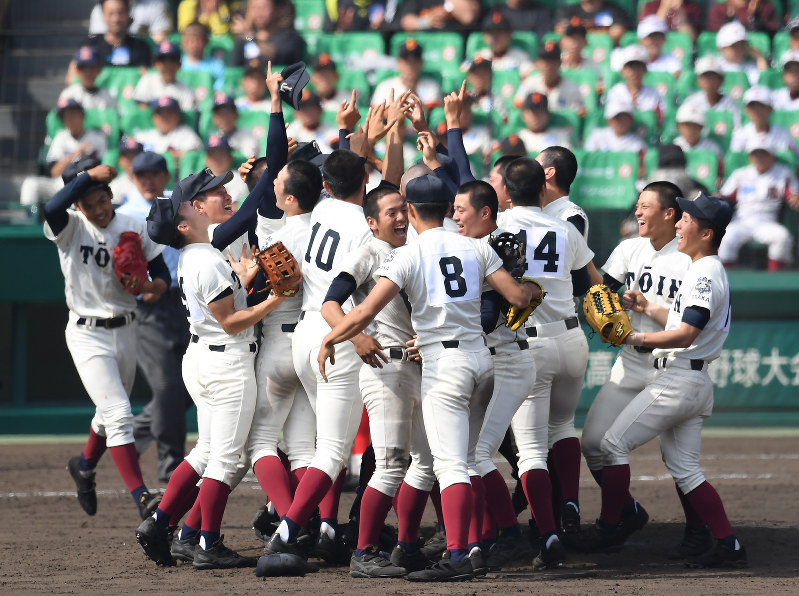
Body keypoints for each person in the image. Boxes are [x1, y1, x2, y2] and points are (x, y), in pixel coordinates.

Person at [317, 173, 544, 581]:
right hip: (481, 359)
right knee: (470, 459)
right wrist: (528, 286)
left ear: (410, 209)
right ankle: (471, 548)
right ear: (446, 208)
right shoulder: (476, 247)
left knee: (451, 465)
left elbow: (365, 312)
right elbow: (517, 297)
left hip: (443, 366)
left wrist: (331, 338)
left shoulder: (408, 254)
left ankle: (457, 556)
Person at [581, 191, 749, 571]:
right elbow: (679, 321)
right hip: (691, 378)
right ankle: (728, 543)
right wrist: (646, 308)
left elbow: (686, 333)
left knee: (612, 443)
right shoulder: (704, 267)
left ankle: (610, 526)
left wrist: (635, 337)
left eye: (687, 220)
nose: (679, 225)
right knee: (686, 469)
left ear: (707, 233)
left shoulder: (703, 272)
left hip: (677, 376)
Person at [135, 168, 287, 569]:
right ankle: (207, 544)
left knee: (205, 451)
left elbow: (221, 305)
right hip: (227, 360)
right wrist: (276, 299)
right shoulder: (205, 259)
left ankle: (162, 521)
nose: (191, 202)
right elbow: (232, 321)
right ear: (184, 224)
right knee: (224, 458)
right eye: (186, 206)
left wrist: (241, 279)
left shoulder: (196, 255)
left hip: (204, 357)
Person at [264, 148, 376, 563]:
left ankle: (327, 527)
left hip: (305, 333)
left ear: (326, 186)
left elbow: (344, 175)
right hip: (339, 331)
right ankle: (288, 531)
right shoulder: (366, 225)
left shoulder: (323, 209)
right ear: (365, 180)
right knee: (332, 450)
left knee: (328, 445)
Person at [321, 185, 435, 578]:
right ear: (372, 222)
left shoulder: (416, 247)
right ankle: (364, 552)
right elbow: (329, 303)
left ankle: (406, 546)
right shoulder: (367, 253)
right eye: (391, 213)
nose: (401, 217)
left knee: (427, 462)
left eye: (403, 209)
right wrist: (354, 337)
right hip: (385, 367)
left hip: (418, 365)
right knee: (389, 465)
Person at [46, 161, 167, 520]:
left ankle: (83, 465)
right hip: (86, 333)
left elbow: (160, 275)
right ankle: (143, 497)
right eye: (89, 204)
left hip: (127, 328)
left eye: (102, 201)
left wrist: (152, 288)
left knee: (108, 415)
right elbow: (52, 207)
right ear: (77, 206)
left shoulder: (133, 225)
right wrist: (87, 178)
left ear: (111, 195)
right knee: (119, 413)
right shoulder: (69, 226)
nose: (98, 210)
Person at [580, 182, 693, 554]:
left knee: (678, 459)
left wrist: (644, 307)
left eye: (646, 207)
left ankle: (698, 530)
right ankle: (625, 512)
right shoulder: (629, 248)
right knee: (594, 443)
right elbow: (603, 293)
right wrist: (613, 303)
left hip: (671, 366)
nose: (638, 213)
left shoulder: (692, 257)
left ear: (669, 214)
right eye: (637, 206)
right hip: (629, 364)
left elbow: (694, 322)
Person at [498, 157, 593, 562]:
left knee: (532, 450)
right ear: (542, 191)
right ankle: (569, 501)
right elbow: (595, 282)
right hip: (571, 338)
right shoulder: (565, 227)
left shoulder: (498, 230)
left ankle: (550, 537)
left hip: (529, 344)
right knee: (564, 426)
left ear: (505, 189)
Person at [451, 180, 536, 571]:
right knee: (472, 453)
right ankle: (481, 540)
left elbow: (487, 316)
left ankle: (511, 536)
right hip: (493, 361)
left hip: (509, 360)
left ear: (485, 213)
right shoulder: (478, 245)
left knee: (477, 454)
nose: (455, 217)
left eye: (462, 211)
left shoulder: (494, 249)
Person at [116, 151, 192, 483]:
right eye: (141, 174)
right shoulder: (125, 215)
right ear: (134, 178)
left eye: (154, 173)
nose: (148, 180)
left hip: (185, 304)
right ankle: (170, 464)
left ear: (164, 176)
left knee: (187, 387)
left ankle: (124, 438)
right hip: (148, 305)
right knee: (166, 386)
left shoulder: (179, 209)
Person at [719, 136, 799, 271]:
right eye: (756, 154)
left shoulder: (784, 173)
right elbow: (725, 196)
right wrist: (718, 197)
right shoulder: (740, 174)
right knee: (726, 237)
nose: (759, 158)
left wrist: (794, 198)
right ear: (750, 157)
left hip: (768, 221)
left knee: (782, 238)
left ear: (772, 155)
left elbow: (793, 194)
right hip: (742, 220)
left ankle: (775, 281)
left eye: (764, 154)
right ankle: (727, 283)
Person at [20, 99, 108, 206]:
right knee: (31, 184)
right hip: (60, 183)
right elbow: (54, 171)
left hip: (86, 183)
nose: (69, 118)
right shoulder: (60, 138)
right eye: (65, 115)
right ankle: (30, 220)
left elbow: (103, 169)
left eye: (73, 114)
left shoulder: (96, 139)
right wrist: (77, 152)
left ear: (82, 115)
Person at [230, 0, 305, 68]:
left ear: (279, 9)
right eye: (254, 7)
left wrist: (249, 36)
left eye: (264, 7)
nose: (259, 12)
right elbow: (233, 71)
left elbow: (272, 54)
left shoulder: (291, 39)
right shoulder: (243, 40)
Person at [515, 40, 584, 113]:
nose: (547, 65)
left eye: (552, 60)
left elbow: (578, 114)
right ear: (537, 63)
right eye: (544, 61)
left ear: (560, 62)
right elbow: (517, 104)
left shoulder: (571, 88)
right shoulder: (529, 83)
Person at [371, 39, 442, 109]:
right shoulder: (385, 86)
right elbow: (376, 114)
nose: (410, 65)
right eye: (406, 61)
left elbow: (432, 115)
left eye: (415, 61)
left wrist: (413, 91)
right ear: (399, 62)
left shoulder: (431, 86)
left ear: (421, 63)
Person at [729, 86, 798, 158]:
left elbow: (792, 162)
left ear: (770, 109)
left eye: (761, 106)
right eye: (752, 107)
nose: (756, 111)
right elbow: (736, 161)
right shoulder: (740, 135)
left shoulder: (783, 134)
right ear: (746, 110)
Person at [84, 0, 152, 70]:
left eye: (120, 13)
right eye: (111, 13)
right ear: (103, 15)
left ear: (128, 13)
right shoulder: (90, 47)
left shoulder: (141, 48)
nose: (116, 19)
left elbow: (146, 76)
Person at [133, 40, 197, 112]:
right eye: (163, 62)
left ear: (179, 65)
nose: (168, 66)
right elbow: (140, 106)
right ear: (155, 64)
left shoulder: (186, 90)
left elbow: (187, 116)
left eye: (172, 62)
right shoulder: (147, 80)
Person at [681, 55, 741, 129]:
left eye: (713, 76)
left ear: (721, 80)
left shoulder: (730, 104)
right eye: (705, 76)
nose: (709, 81)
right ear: (698, 80)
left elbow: (736, 129)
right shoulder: (691, 102)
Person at [606, 44, 666, 118]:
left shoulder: (654, 93)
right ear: (623, 71)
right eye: (631, 67)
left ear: (645, 70)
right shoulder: (616, 92)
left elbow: (660, 119)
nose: (634, 72)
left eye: (639, 66)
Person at [134, 96, 203, 157]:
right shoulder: (145, 136)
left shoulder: (187, 135)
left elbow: (194, 157)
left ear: (178, 116)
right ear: (153, 117)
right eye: (160, 113)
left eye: (169, 113)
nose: (164, 117)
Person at [475, 11, 535, 76]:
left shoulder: (520, 56)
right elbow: (464, 74)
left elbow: (531, 76)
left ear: (509, 35)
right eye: (491, 34)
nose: (495, 37)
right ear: (485, 36)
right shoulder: (479, 57)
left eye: (500, 33)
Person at [59, 46, 118, 111]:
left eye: (92, 67)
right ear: (76, 70)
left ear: (99, 70)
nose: (87, 73)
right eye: (82, 68)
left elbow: (115, 119)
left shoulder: (108, 96)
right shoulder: (68, 95)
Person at [89, 0, 172, 43]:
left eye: (121, 12)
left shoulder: (157, 4)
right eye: (112, 14)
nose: (116, 18)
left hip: (143, 58)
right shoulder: (101, 9)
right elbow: (97, 43)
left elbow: (161, 41)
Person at [554, 0, 632, 46]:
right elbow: (560, 29)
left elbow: (618, 31)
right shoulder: (567, 10)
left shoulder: (614, 10)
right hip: (576, 52)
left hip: (606, 50)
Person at [715, 20, 767, 86]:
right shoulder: (716, 67)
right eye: (734, 46)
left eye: (742, 45)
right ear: (722, 49)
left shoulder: (750, 67)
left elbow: (763, 85)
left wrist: (759, 58)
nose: (739, 49)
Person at [209, 93, 260, 158]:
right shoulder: (214, 138)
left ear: (236, 115)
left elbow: (251, 159)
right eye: (220, 115)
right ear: (214, 119)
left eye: (227, 114)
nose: (224, 119)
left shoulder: (246, 135)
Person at [180, 21, 225, 92]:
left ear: (206, 41)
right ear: (182, 42)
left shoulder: (217, 66)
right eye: (188, 40)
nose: (193, 44)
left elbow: (219, 91)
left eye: (197, 40)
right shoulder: (177, 66)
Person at [397, 0, 481, 31]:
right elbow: (406, 21)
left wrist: (447, 6)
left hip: (454, 45)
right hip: (427, 48)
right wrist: (427, 22)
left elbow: (468, 16)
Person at [639, 0, 704, 40]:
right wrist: (664, 7)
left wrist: (680, 11)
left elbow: (691, 39)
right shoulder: (650, 6)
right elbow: (649, 36)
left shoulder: (693, 7)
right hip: (659, 49)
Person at [706, 0, 779, 34]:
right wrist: (729, 20)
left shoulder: (765, 7)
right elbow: (714, 38)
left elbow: (771, 37)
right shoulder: (719, 9)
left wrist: (755, 17)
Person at [111, 136, 146, 206]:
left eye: (136, 156)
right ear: (120, 161)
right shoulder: (116, 186)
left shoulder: (153, 180)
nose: (132, 161)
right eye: (128, 157)